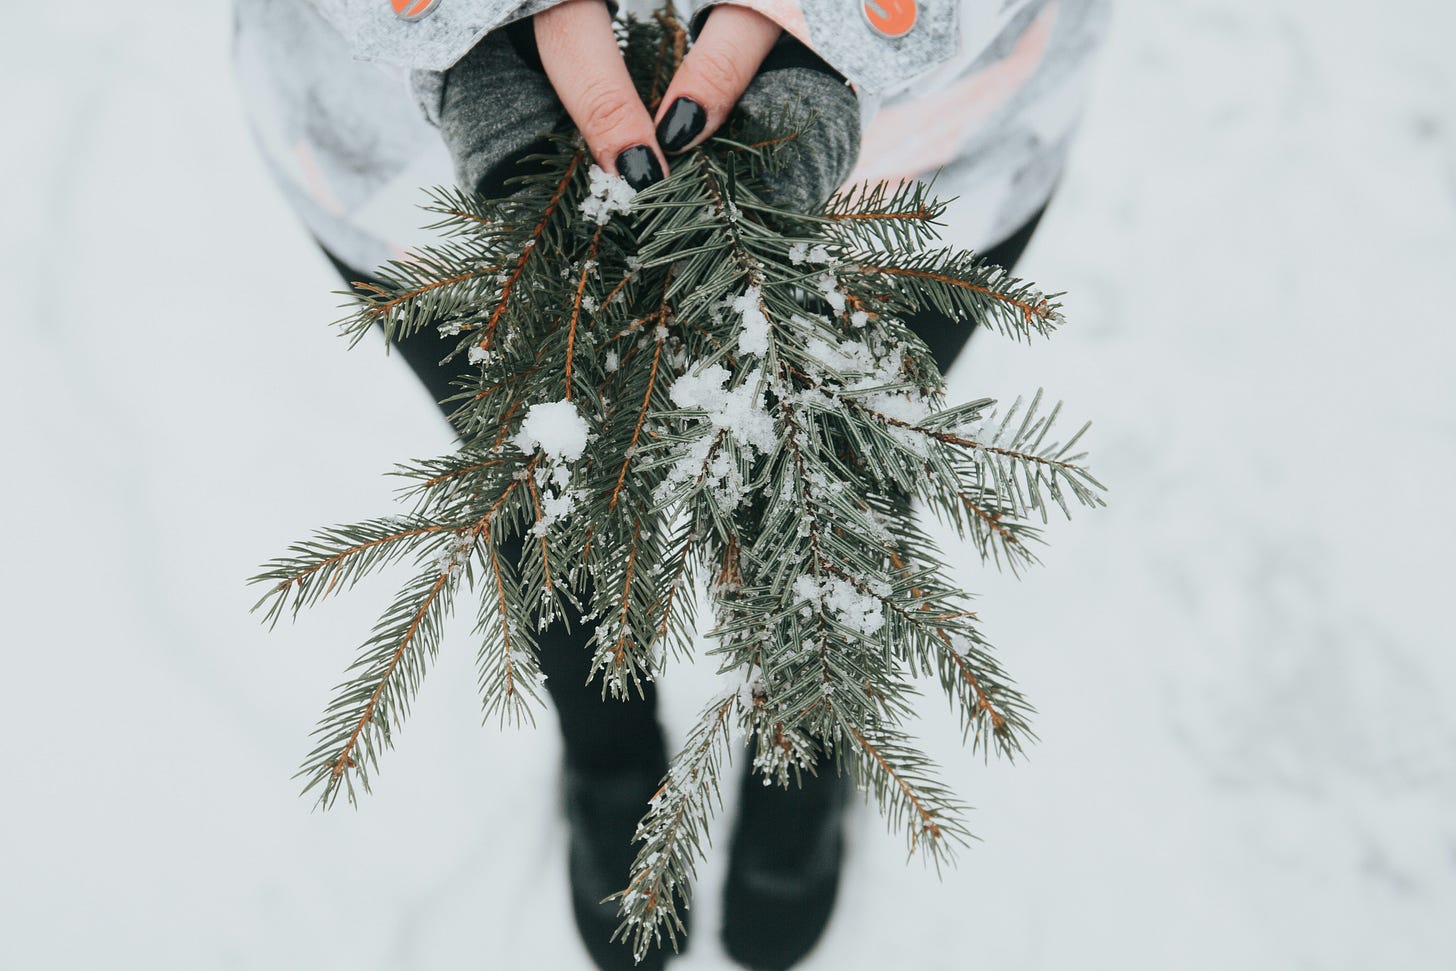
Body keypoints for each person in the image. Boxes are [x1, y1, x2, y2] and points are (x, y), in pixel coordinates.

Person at [233, 1, 1108, 968]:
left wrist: (857, 17)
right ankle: (607, 751)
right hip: (405, 156)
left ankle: (800, 737)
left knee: (836, 474)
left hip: (927, 145)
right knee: (545, 469)